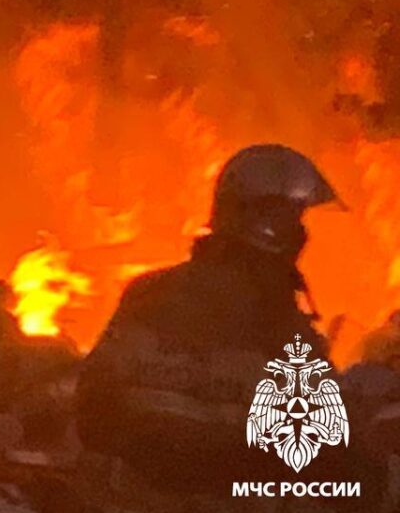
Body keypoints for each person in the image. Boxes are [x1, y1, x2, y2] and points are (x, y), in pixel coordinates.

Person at [75, 143, 341, 489]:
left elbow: (92, 409)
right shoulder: (279, 324)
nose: (301, 233)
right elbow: (321, 447)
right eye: (293, 218)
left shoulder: (148, 295)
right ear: (267, 224)